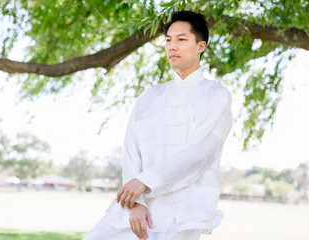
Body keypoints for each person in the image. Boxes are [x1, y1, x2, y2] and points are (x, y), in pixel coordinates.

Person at [84, 10, 233, 240]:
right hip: (136, 208)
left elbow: (197, 154)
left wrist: (145, 182)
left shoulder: (217, 97)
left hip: (184, 211)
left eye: (182, 39)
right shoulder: (149, 97)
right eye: (168, 40)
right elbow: (132, 151)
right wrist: (136, 201)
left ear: (201, 46)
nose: (172, 46)